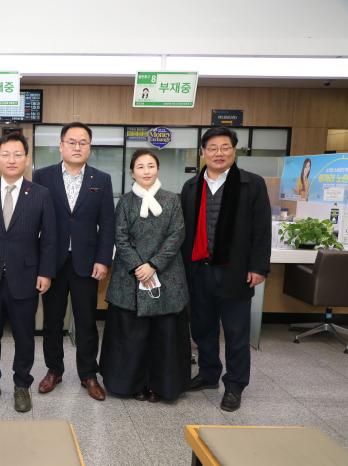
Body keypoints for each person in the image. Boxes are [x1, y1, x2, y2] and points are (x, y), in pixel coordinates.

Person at [182, 126, 271, 412]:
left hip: (235, 272)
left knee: (235, 333)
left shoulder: (251, 184)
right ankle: (208, 374)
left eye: (225, 147)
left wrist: (259, 267)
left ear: (234, 150)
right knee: (203, 328)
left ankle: (234, 385)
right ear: (203, 153)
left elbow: (262, 229)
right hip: (199, 270)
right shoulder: (191, 186)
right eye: (212, 148)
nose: (218, 153)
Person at [0, 131, 56, 413]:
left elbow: (49, 238)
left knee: (24, 337)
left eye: (18, 154)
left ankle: (21, 386)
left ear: (26, 159)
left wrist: (45, 272)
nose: (12, 159)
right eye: (6, 154)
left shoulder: (40, 194)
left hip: (26, 277)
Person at [32, 122, 115, 401]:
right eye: (72, 142)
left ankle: (89, 374)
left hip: (87, 263)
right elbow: (35, 223)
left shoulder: (101, 179)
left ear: (89, 147)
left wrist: (103, 260)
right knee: (52, 321)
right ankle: (54, 370)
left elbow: (107, 223)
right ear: (61, 146)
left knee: (87, 321)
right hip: (52, 263)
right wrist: (38, 264)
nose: (77, 147)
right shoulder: (42, 176)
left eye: (83, 142)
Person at [100, 149, 190, 402]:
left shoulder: (172, 200)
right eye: (140, 167)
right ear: (132, 173)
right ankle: (132, 385)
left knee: (165, 336)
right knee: (131, 337)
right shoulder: (125, 202)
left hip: (167, 275)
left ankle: (161, 386)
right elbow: (120, 237)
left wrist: (154, 265)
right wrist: (139, 266)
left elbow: (177, 235)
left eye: (151, 166)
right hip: (130, 277)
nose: (146, 171)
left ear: (157, 169)